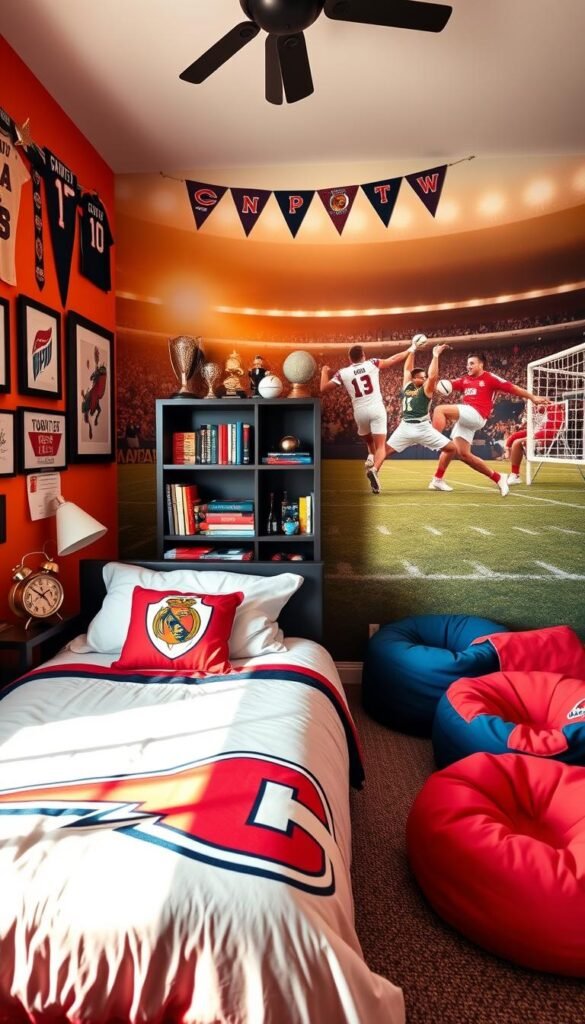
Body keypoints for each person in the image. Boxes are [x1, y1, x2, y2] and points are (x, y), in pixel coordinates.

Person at [428, 351, 549, 497]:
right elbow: (443, 385)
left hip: (477, 414)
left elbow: (512, 388)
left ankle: (433, 440)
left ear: (481, 364)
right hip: (467, 418)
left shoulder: (490, 378)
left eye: (472, 363)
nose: (468, 366)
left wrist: (532, 397)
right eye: (467, 364)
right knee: (462, 454)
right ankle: (497, 478)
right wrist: (436, 369)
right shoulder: (465, 380)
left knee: (440, 409)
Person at [320, 336, 427, 493]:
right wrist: (410, 349)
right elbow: (393, 359)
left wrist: (324, 372)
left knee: (367, 438)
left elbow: (323, 389)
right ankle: (374, 469)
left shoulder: (343, 373)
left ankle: (370, 456)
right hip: (376, 408)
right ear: (363, 355)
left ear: (350, 358)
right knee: (381, 446)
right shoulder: (372, 363)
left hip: (360, 412)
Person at [381, 344, 456, 491]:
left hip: (405, 426)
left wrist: (413, 350)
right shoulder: (425, 390)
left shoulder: (407, 387)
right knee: (451, 448)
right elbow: (433, 376)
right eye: (423, 377)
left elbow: (407, 370)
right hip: (421, 427)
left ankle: (373, 469)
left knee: (383, 452)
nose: (425, 378)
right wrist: (435, 355)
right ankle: (437, 480)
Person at [505, 401, 565, 484]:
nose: (536, 408)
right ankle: (515, 474)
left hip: (547, 441)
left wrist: (534, 436)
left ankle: (515, 474)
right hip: (537, 437)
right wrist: (507, 446)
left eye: (537, 405)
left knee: (518, 442)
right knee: (516, 441)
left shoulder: (554, 411)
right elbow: (521, 433)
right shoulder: (541, 419)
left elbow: (552, 431)